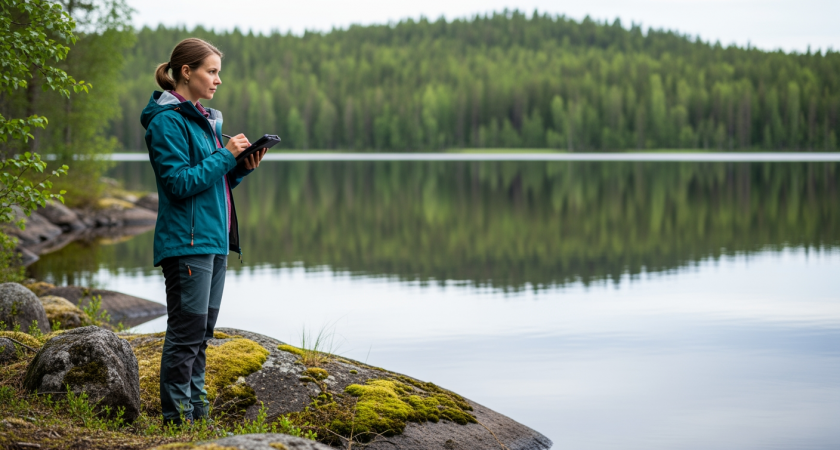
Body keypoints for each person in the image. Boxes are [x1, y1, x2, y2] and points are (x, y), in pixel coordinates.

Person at [140, 38, 266, 426]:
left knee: (201, 336)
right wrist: (225, 155)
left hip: (212, 241)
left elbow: (209, 183)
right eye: (211, 72)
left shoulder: (205, 120)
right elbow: (179, 183)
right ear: (186, 72)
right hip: (186, 243)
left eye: (219, 73)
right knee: (185, 337)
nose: (218, 80)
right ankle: (177, 424)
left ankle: (200, 420)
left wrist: (238, 168)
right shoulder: (167, 121)